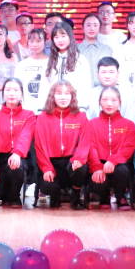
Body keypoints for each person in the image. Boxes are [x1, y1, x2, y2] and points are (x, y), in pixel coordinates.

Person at [33, 79, 91, 210]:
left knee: (80, 168)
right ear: (52, 96)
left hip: (71, 162)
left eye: (67, 93)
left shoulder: (81, 116)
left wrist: (79, 159)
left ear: (72, 96)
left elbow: (85, 141)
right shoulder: (42, 117)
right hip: (51, 163)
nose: (63, 97)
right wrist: (46, 168)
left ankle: (76, 193)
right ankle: (56, 194)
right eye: (59, 93)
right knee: (49, 186)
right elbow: (39, 146)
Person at [0, 77, 36, 207]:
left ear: (21, 94)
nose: (12, 93)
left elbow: (26, 137)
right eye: (8, 90)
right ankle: (5, 194)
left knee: (15, 166)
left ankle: (13, 197)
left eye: (16, 90)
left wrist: (17, 153)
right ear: (3, 93)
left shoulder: (29, 115)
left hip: (20, 158)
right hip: (0, 160)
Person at [85, 85, 135, 210]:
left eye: (113, 100)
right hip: (98, 163)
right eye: (105, 100)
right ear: (99, 102)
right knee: (96, 176)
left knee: (122, 171)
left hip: (119, 163)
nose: (109, 103)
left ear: (120, 103)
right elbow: (91, 147)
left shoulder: (129, 124)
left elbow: (128, 147)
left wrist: (113, 160)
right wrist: (97, 167)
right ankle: (104, 197)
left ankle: (120, 196)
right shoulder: (91, 124)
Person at [44, 24, 93, 107]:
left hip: (75, 106)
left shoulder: (80, 60)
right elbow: (46, 86)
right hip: (53, 107)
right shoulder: (49, 60)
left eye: (63, 36)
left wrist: (82, 107)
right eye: (56, 37)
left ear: (70, 37)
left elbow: (85, 87)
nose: (60, 40)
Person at [86, 56, 135, 120]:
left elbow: (130, 120)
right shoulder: (90, 94)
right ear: (97, 74)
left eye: (111, 72)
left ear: (118, 73)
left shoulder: (126, 94)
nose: (107, 76)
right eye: (103, 72)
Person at [15, 28, 51, 111]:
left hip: (46, 109)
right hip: (26, 110)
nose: (35, 44)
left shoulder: (51, 63)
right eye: (31, 41)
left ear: (45, 42)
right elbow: (17, 88)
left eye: (38, 41)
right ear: (27, 43)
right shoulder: (21, 65)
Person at [76, 14, 112, 86]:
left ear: (100, 28)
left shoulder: (107, 50)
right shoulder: (75, 49)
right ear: (82, 28)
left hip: (102, 89)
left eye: (95, 25)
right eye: (88, 25)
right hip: (80, 88)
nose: (92, 28)